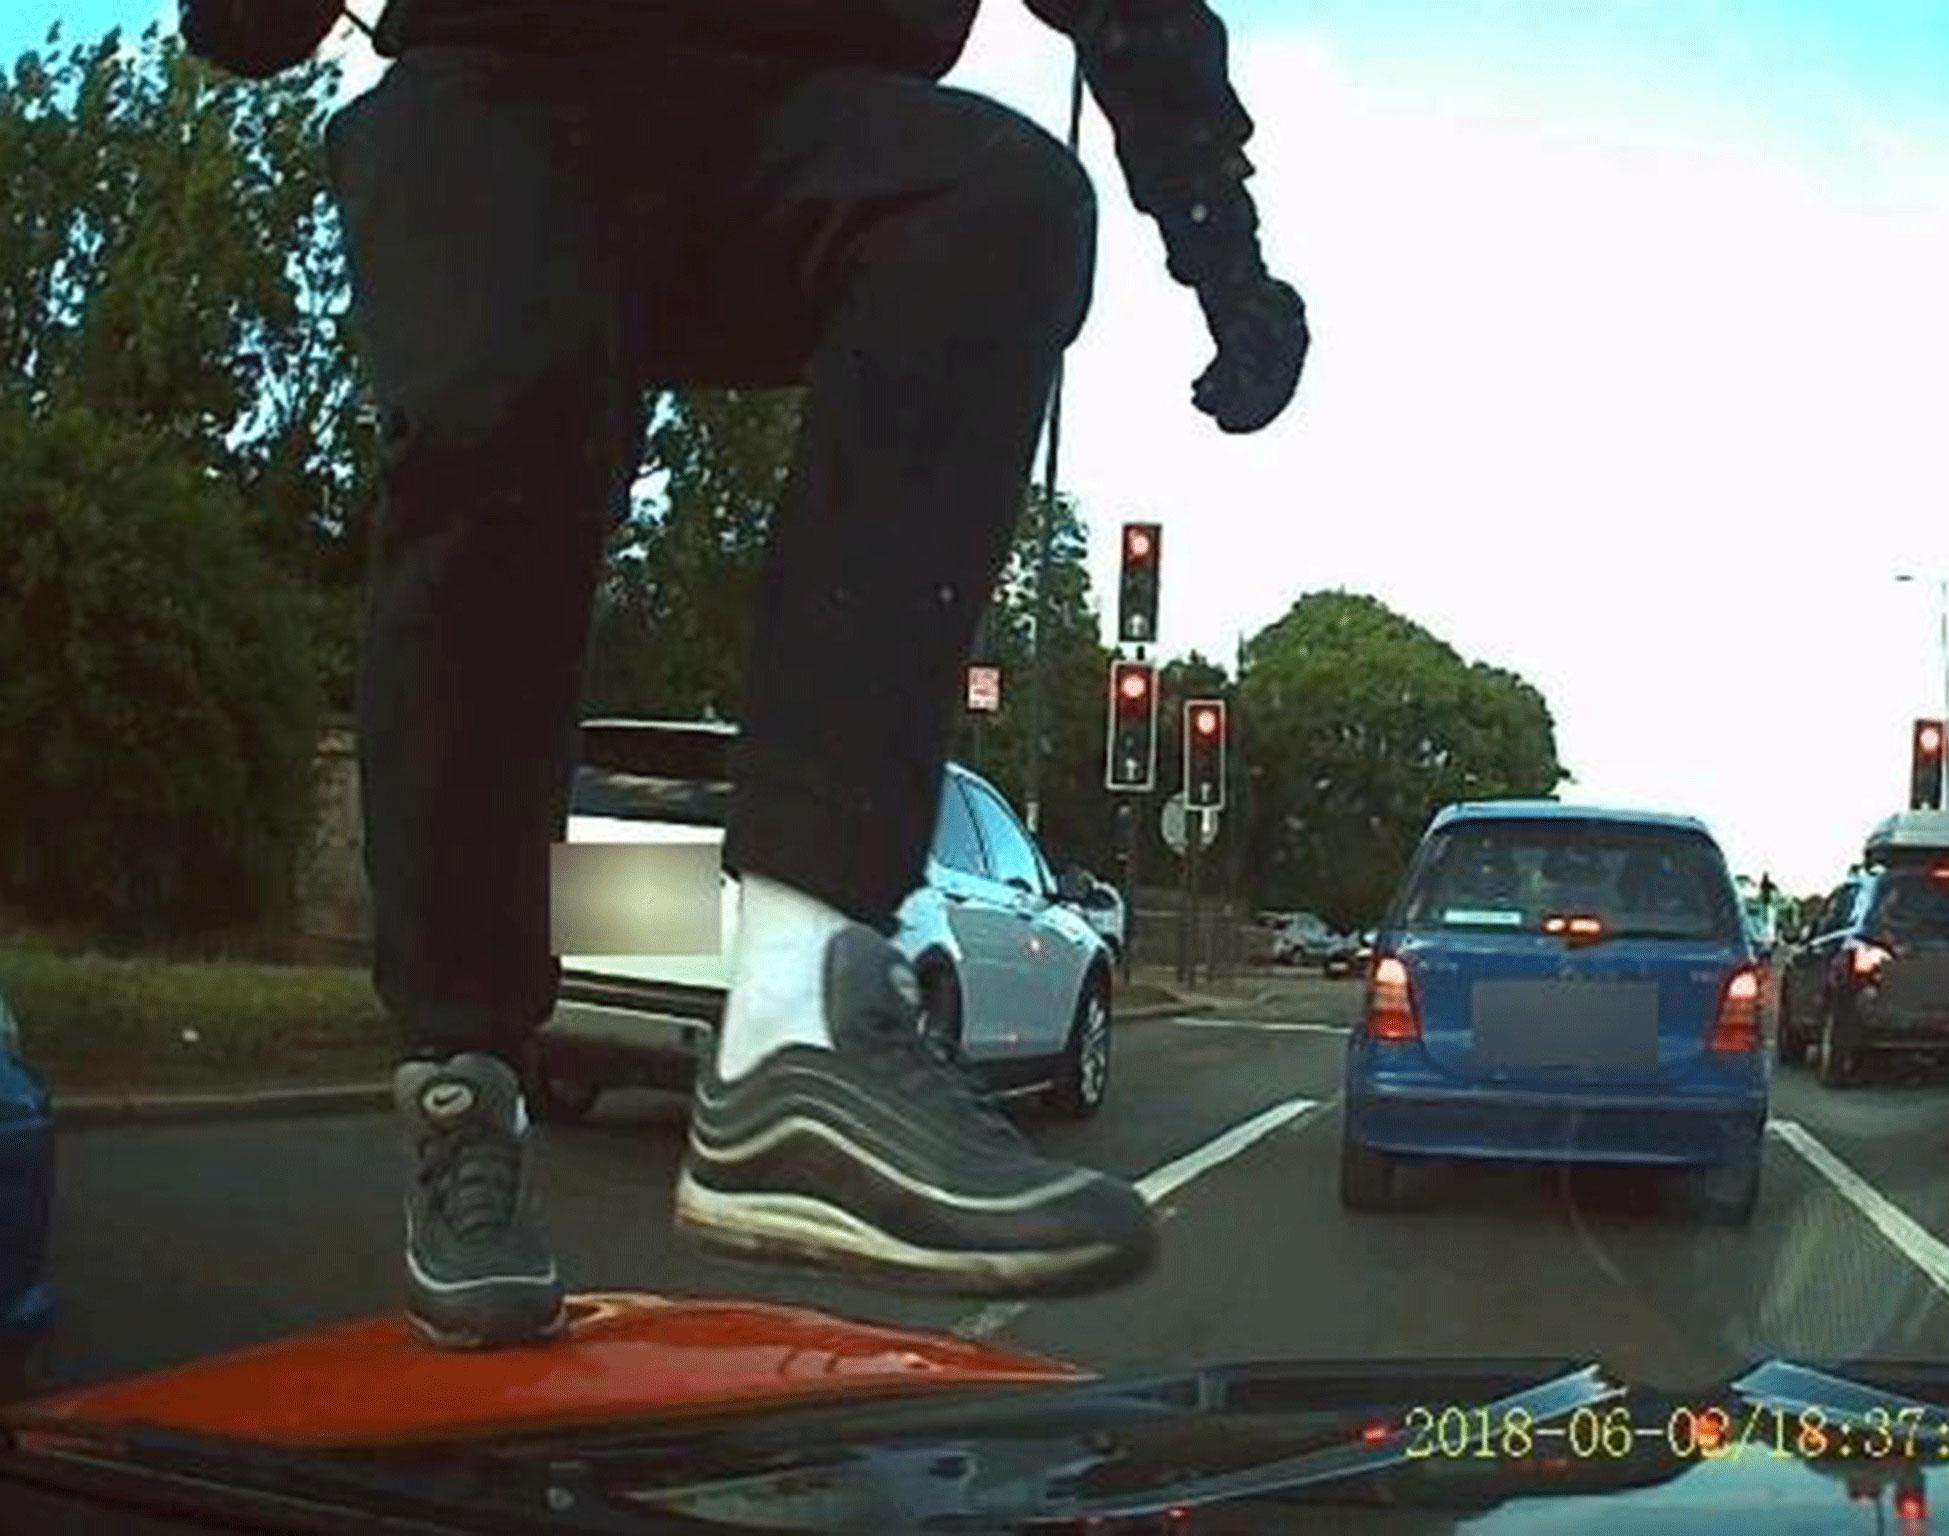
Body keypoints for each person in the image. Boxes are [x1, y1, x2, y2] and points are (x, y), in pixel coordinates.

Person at [179, 0, 1308, 1349]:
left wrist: (1220, 247)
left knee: (1001, 202)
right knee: (509, 418)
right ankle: (462, 1079)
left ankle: (794, 1015)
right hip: (502, 86)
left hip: (797, 114)